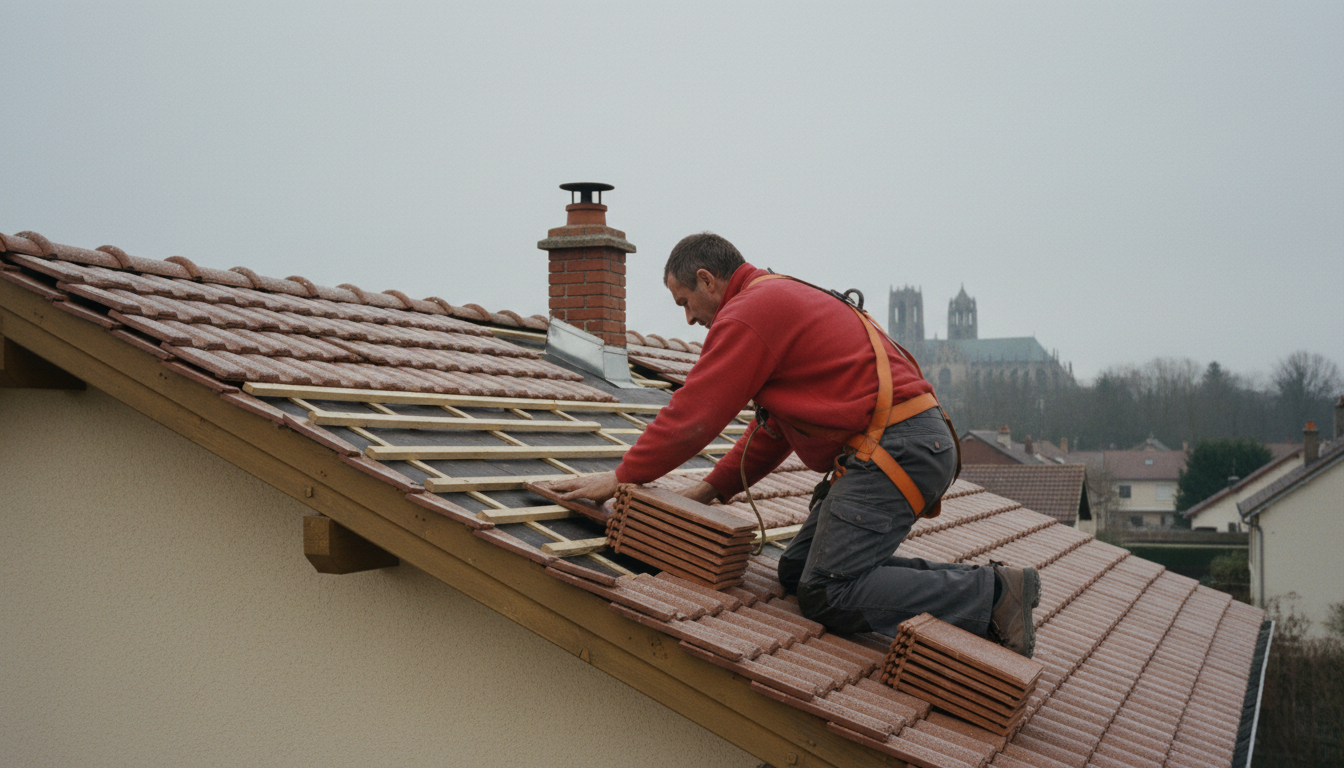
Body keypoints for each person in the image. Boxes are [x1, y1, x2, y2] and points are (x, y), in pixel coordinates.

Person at [549, 233, 1039, 656]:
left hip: (897, 447)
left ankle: (992, 595)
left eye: (684, 302)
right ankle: (986, 591)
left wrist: (619, 477)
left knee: (826, 591)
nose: (688, 319)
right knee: (799, 569)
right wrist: (709, 490)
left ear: (706, 279)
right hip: (906, 443)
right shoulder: (774, 300)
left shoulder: (748, 313)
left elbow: (695, 413)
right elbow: (773, 430)